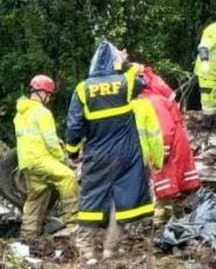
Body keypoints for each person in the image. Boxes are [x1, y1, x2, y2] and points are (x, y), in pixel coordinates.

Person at [65, 41, 153, 261]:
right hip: (127, 154)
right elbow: (142, 80)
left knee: (91, 198)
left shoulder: (83, 89)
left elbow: (74, 126)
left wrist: (73, 152)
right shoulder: (125, 82)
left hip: (98, 154)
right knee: (122, 199)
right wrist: (125, 63)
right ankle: (110, 249)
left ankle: (86, 250)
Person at [13, 75, 79, 239]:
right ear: (42, 92)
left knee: (36, 197)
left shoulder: (20, 114)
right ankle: (74, 222)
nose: (49, 98)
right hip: (40, 159)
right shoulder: (42, 113)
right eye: (48, 94)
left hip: (26, 163)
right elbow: (50, 141)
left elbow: (34, 137)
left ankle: (27, 237)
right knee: (68, 177)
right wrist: (62, 158)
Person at [138, 66, 200, 223]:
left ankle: (161, 225)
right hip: (173, 145)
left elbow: (164, 128)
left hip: (168, 148)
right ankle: (178, 219)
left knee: (165, 189)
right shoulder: (155, 99)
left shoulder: (152, 102)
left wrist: (162, 149)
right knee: (174, 188)